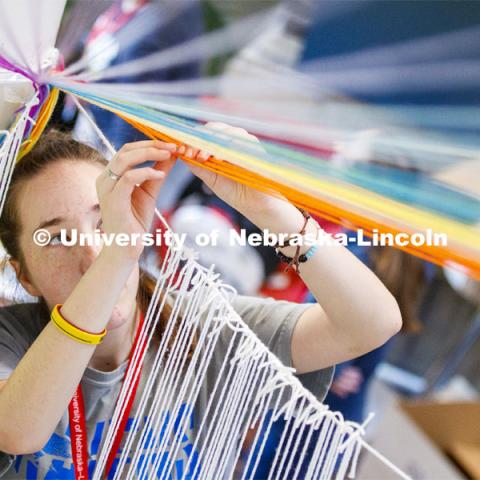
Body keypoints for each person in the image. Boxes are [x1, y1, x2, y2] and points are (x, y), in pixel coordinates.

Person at [0, 125, 401, 478]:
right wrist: (118, 253)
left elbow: (371, 323)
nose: (90, 255)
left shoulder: (202, 329)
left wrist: (267, 207)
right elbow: (19, 429)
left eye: (106, 220)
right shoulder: (11, 337)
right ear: (24, 276)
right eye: (56, 238)